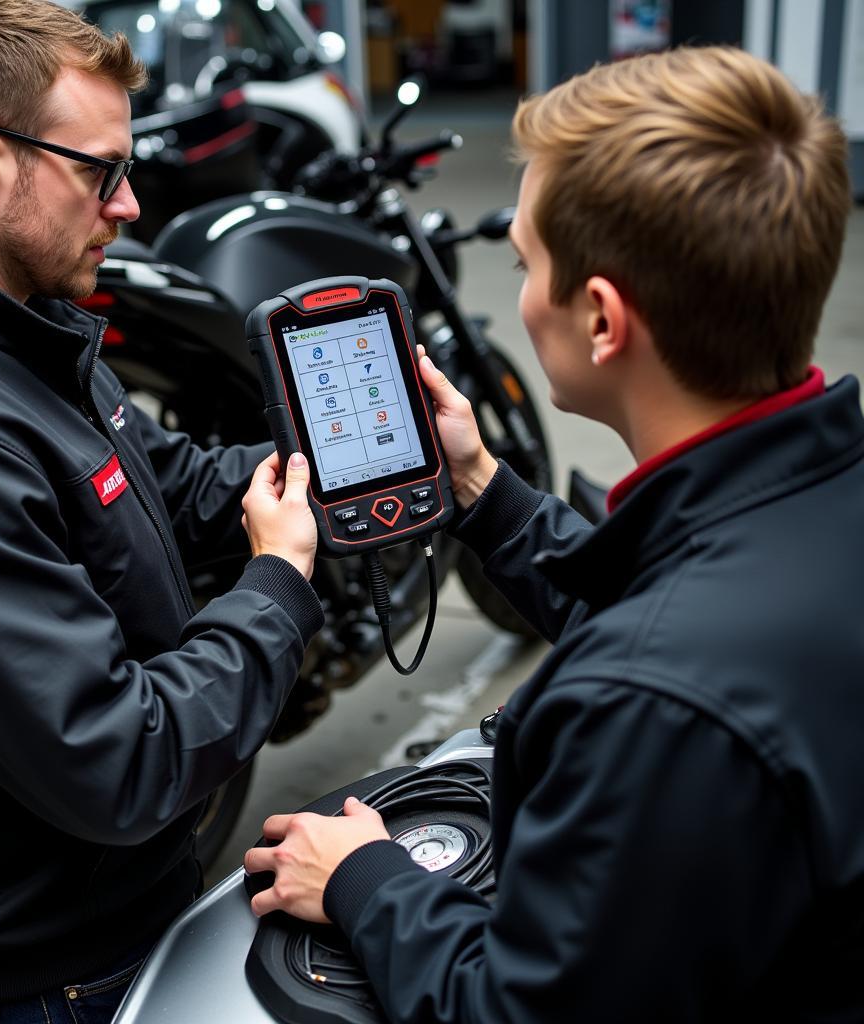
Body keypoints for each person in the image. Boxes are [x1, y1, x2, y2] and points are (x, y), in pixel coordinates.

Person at [244, 46, 864, 1021]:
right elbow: (666, 600)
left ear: (602, 319)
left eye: (528, 263)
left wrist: (363, 876)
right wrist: (482, 487)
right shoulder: (817, 492)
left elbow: (518, 1009)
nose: (523, 291)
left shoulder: (645, 710)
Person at [0, 1, 320, 1020]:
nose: (131, 203)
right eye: (101, 170)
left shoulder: (18, 329)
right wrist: (277, 584)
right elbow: (117, 759)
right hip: (47, 974)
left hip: (109, 910)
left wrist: (316, 470)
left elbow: (153, 483)